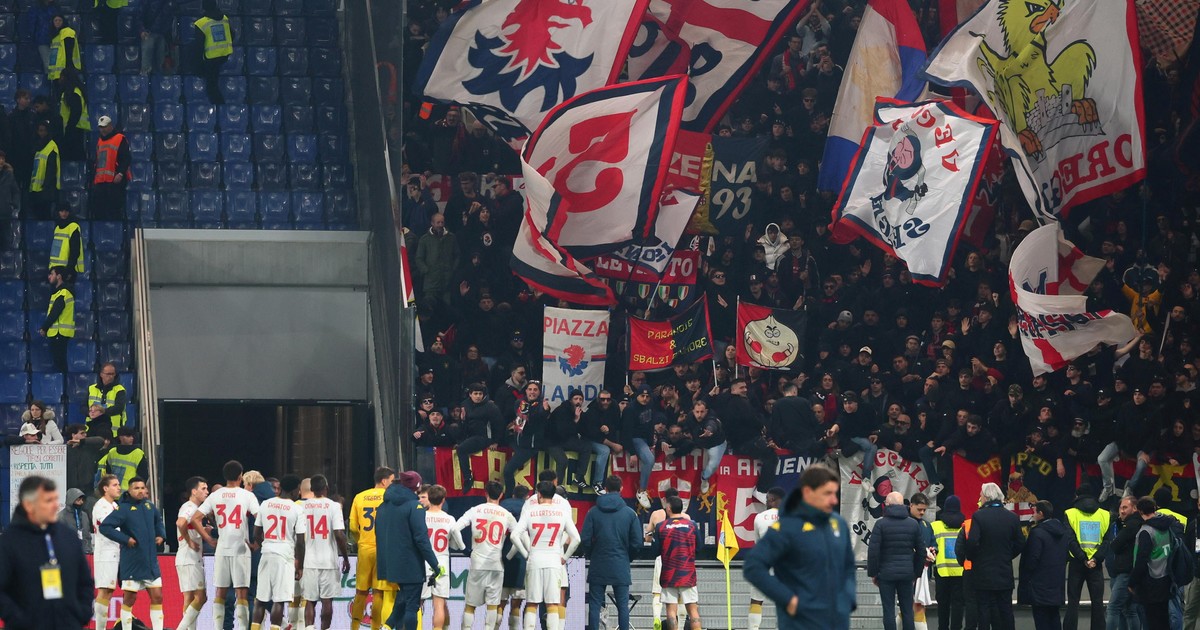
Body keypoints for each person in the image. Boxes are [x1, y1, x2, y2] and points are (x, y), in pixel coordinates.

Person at [744, 465, 856, 630]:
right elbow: (753, 567)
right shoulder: (787, 526)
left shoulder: (838, 523)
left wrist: (848, 599)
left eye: (835, 493)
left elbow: (848, 565)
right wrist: (788, 599)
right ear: (808, 492)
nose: (834, 500)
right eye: (827, 493)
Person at [0, 476, 94, 629]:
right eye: (48, 501)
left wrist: (80, 614)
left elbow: (85, 582)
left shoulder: (68, 536)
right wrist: (18, 619)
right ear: (29, 505)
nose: (55, 505)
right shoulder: (9, 541)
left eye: (55, 499)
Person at [192, 460, 262, 630]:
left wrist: (208, 539)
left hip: (222, 548)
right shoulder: (247, 495)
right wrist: (257, 542)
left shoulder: (216, 495)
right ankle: (243, 627)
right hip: (241, 549)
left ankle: (218, 628)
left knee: (221, 592)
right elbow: (260, 518)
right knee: (242, 593)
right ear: (240, 476)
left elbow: (195, 518)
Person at [376, 470, 441, 630]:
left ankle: (387, 626)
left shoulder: (383, 506)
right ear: (417, 486)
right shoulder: (414, 506)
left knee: (402, 599)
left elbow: (378, 533)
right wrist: (434, 564)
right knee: (412, 606)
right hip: (410, 563)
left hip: (390, 561)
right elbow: (421, 538)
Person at [98, 477, 166, 630]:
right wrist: (125, 539)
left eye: (142, 488)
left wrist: (161, 535)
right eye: (136, 488)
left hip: (150, 562)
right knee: (130, 599)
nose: (140, 491)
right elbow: (105, 527)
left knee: (157, 596)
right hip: (132, 562)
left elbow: (158, 521)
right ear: (129, 490)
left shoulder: (149, 506)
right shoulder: (123, 509)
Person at [454, 480, 523, 630]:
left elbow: (454, 529)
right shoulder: (506, 515)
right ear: (501, 495)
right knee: (493, 605)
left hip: (477, 563)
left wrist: (464, 549)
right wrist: (508, 557)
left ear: (485, 493)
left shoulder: (475, 510)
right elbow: (519, 537)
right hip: (496, 564)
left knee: (470, 605)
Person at [956, 483, 1025, 630]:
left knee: (984, 610)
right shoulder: (1012, 517)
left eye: (981, 495)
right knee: (1006, 611)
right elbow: (1020, 543)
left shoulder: (979, 516)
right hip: (1004, 572)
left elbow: (972, 542)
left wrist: (975, 559)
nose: (980, 498)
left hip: (983, 574)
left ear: (987, 497)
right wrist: (1007, 555)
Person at [517, 480, 580, 630]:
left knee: (532, 603)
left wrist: (526, 554)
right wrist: (564, 558)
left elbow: (515, 535)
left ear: (538, 494)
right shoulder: (562, 513)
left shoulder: (530, 512)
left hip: (535, 560)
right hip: (554, 562)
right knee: (553, 604)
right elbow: (576, 539)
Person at [581, 475, 641, 630]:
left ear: (605, 489)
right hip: (620, 564)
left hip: (598, 563)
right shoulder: (629, 513)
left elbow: (585, 539)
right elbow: (637, 543)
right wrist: (627, 557)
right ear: (621, 489)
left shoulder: (593, 512)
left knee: (595, 604)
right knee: (622, 606)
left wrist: (592, 554)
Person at [297, 474, 349, 630]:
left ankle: (308, 628)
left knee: (310, 601)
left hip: (309, 561)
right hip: (328, 561)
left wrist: (300, 562)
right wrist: (345, 558)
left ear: (312, 489)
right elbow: (339, 534)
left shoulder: (302, 507)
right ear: (326, 487)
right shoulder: (334, 506)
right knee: (327, 601)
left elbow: (300, 540)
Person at [868, 492, 925, 630]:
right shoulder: (913, 524)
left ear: (887, 504)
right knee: (907, 610)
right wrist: (916, 573)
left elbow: (873, 551)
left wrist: (874, 573)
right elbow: (921, 552)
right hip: (906, 574)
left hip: (886, 574)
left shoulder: (880, 524)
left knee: (888, 610)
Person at [252, 475, 303, 630]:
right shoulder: (296, 508)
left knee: (260, 600)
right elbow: (301, 541)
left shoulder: (266, 504)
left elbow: (256, 533)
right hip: (284, 555)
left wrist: (266, 545)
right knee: (278, 601)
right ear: (294, 490)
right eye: (298, 489)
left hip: (266, 553)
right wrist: (299, 564)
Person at [348, 466, 395, 629]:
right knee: (378, 592)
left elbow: (353, 527)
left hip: (365, 549)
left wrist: (360, 541)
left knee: (361, 591)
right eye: (391, 481)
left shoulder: (359, 497)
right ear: (384, 481)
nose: (393, 484)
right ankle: (375, 628)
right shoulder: (390, 498)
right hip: (383, 550)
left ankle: (354, 627)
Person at [1018, 501, 1076, 630]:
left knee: (1042, 621)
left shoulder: (1037, 533)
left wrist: (1026, 578)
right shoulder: (1063, 532)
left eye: (1034, 512)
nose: (1032, 515)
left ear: (1041, 513)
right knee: (1054, 618)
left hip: (1039, 586)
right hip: (1056, 584)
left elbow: (1032, 560)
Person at [1063, 486, 1109, 630]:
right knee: (1097, 603)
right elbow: (1107, 542)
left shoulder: (1070, 513)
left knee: (1073, 602)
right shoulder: (1105, 515)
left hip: (1076, 563)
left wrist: (1083, 558)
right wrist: (1095, 559)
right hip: (1096, 564)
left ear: (1077, 496)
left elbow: (1070, 540)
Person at [1132, 496, 1182, 628]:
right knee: (1164, 620)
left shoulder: (1146, 531)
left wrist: (1132, 581)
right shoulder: (1167, 526)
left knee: (1152, 621)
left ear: (1140, 511)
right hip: (1166, 578)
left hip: (1151, 582)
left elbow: (1142, 559)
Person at [654, 495, 702, 630]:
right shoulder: (692, 525)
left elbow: (655, 551)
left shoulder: (661, 527)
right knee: (693, 610)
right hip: (688, 573)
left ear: (668, 508)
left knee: (671, 611)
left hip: (668, 575)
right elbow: (699, 547)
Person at [421, 484, 463, 630]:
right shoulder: (449, 519)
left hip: (423, 564)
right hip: (441, 566)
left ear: (429, 498)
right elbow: (456, 544)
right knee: (439, 605)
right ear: (443, 500)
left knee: (417, 603)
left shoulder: (421, 516)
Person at [747, 488, 785, 630]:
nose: (766, 502)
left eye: (768, 499)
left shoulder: (759, 517)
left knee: (756, 601)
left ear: (773, 499)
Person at [175, 476, 209, 630]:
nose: (206, 492)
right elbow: (180, 522)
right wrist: (189, 540)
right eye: (203, 489)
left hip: (186, 557)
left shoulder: (193, 508)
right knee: (201, 597)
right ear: (194, 491)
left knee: (189, 598)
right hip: (189, 557)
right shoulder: (190, 507)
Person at [455, 383, 505, 488]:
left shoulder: (491, 407)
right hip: (470, 436)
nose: (478, 396)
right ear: (470, 394)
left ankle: (468, 478)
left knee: (461, 450)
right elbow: (462, 425)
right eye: (475, 393)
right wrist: (462, 420)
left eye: (480, 394)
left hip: (484, 437)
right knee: (458, 443)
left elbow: (499, 425)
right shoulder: (464, 405)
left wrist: (496, 441)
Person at [1108, 495, 1144, 629]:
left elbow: (1115, 545)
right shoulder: (1138, 523)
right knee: (1130, 610)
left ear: (1134, 508)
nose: (1121, 511)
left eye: (1125, 507)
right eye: (1120, 508)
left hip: (1125, 572)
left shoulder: (1132, 525)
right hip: (1133, 572)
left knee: (1113, 608)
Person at [931, 495, 966, 630]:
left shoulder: (935, 526)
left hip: (942, 572)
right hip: (961, 572)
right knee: (958, 604)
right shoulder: (964, 526)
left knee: (943, 604)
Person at [91, 474, 121, 630]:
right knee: (104, 591)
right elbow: (108, 528)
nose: (119, 488)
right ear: (105, 488)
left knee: (109, 591)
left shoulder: (114, 505)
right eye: (115, 485)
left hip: (115, 551)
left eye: (118, 484)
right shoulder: (101, 506)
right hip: (105, 552)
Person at [90, 116, 130, 220]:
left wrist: (120, 173)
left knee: (114, 211)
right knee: (99, 211)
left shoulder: (120, 138)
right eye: (100, 127)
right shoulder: (100, 141)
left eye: (104, 127)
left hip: (114, 182)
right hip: (100, 182)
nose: (102, 130)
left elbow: (126, 158)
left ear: (110, 126)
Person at [193, 0, 232, 104]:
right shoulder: (225, 18)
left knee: (211, 87)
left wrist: (198, 67)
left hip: (211, 58)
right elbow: (232, 34)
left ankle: (220, 108)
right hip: (224, 55)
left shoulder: (201, 23)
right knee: (213, 83)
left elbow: (198, 46)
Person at [39, 265, 73, 373]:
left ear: (59, 276)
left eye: (52, 274)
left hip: (59, 333)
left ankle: (64, 382)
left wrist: (44, 328)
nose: (49, 276)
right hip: (59, 333)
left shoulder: (63, 293)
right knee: (60, 363)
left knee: (60, 364)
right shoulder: (58, 292)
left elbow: (55, 313)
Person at [88, 363, 129, 438]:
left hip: (113, 431)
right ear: (101, 374)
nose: (111, 376)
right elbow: (83, 407)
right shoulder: (91, 388)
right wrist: (90, 413)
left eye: (113, 374)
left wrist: (102, 412)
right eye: (108, 374)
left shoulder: (120, 389)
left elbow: (119, 408)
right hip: (92, 430)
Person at [28, 120, 59, 219]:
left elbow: (52, 169)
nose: (43, 133)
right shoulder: (36, 146)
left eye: (45, 130)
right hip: (36, 189)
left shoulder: (51, 146)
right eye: (40, 130)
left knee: (45, 216)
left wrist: (46, 185)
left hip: (46, 190)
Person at [136, 0, 175, 75]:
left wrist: (169, 38)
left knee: (159, 66)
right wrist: (142, 30)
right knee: (146, 66)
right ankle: (144, 80)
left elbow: (170, 19)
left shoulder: (169, 2)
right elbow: (139, 15)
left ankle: (157, 80)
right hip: (148, 34)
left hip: (162, 35)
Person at [49, 204, 83, 277]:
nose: (64, 213)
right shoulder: (57, 227)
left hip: (68, 270)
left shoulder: (73, 227)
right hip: (55, 269)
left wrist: (69, 270)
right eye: (61, 211)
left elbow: (75, 251)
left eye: (66, 211)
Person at [57, 488, 91, 553]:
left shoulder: (84, 515)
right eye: (78, 500)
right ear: (71, 500)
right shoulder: (61, 517)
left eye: (82, 499)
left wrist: (88, 550)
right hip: (68, 553)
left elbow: (87, 535)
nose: (81, 502)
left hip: (85, 553)